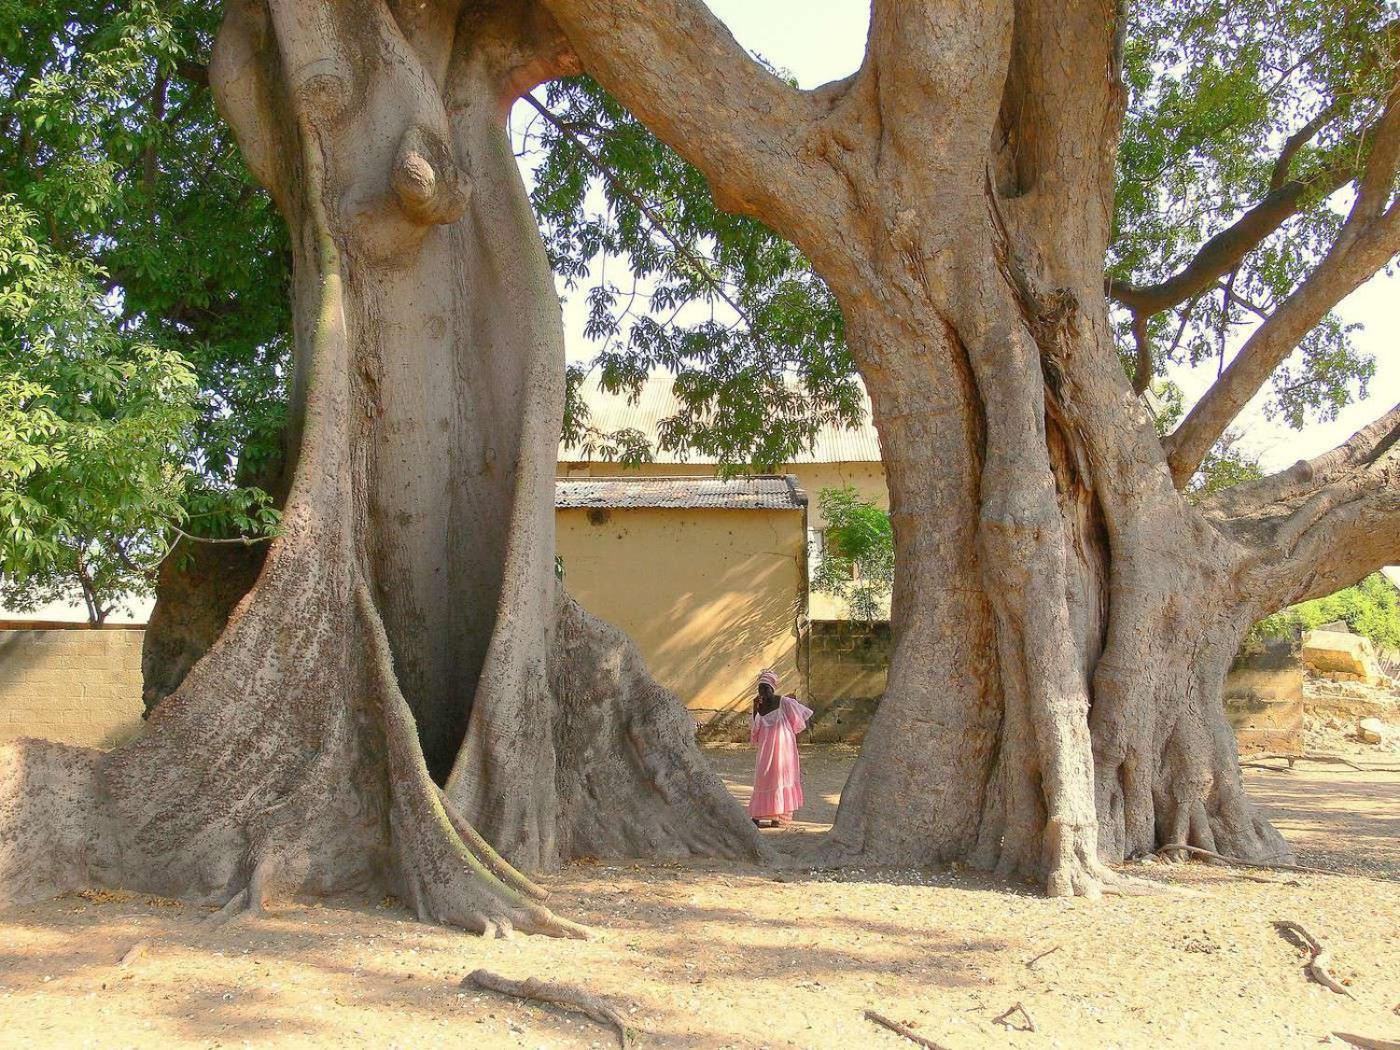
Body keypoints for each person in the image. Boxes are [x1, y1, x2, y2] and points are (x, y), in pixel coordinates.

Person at [748, 669, 813, 828]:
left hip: (784, 748)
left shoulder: (784, 702)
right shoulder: (760, 707)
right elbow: (755, 730)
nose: (763, 692)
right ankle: (757, 815)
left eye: (766, 688)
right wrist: (755, 708)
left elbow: (799, 720)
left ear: (773, 688)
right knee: (763, 777)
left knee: (781, 777)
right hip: (766, 748)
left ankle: (778, 816)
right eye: (760, 688)